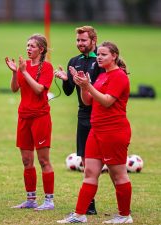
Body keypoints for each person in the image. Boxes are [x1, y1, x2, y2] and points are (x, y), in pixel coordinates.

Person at [57, 41, 133, 224]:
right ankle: (79, 214)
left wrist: (88, 86)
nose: (99, 57)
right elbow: (88, 101)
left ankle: (124, 215)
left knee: (118, 174)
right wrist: (83, 86)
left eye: (104, 54)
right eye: (98, 54)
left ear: (114, 56)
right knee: (90, 172)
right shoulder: (101, 76)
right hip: (96, 130)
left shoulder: (119, 76)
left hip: (114, 131)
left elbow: (107, 101)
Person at [55, 25, 103, 215]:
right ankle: (90, 204)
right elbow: (67, 92)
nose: (80, 44)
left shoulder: (100, 61)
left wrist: (85, 84)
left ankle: (123, 207)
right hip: (83, 115)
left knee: (110, 161)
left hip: (100, 115)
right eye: (78, 40)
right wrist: (66, 79)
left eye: (83, 40)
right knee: (85, 158)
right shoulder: (74, 61)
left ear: (93, 40)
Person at [5, 34, 55, 211]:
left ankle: (49, 200)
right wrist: (14, 72)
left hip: (40, 117)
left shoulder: (47, 67)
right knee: (27, 160)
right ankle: (31, 199)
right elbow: (14, 89)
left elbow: (39, 89)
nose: (28, 49)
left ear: (41, 50)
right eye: (27, 45)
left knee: (43, 160)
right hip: (23, 117)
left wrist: (24, 71)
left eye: (32, 46)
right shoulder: (22, 67)